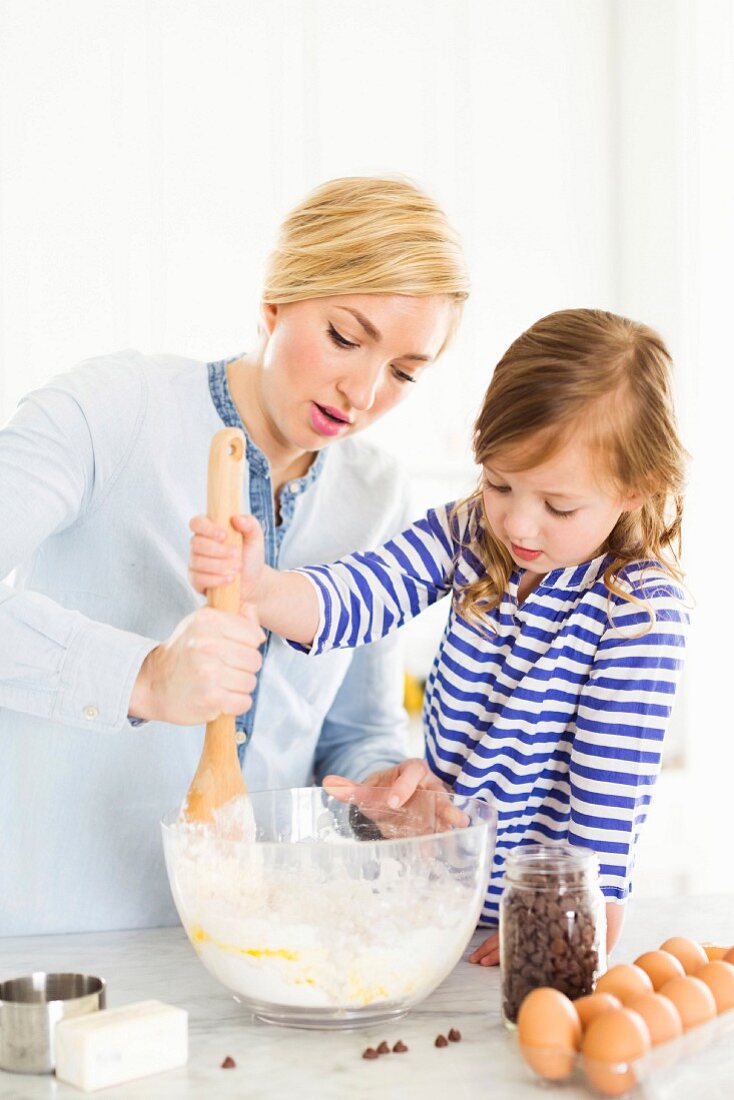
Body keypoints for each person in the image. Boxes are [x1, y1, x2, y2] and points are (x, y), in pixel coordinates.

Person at [0, 177, 469, 935]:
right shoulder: (111, 410)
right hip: (54, 944)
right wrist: (145, 678)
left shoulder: (377, 495)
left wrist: (381, 788)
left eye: (406, 372)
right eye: (346, 338)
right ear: (276, 301)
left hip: (254, 948)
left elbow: (353, 732)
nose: (364, 390)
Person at [189, 308, 690, 966]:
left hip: (539, 913)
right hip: (435, 895)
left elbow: (604, 810)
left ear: (637, 488)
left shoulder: (640, 614)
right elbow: (359, 595)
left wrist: (561, 922)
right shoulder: (467, 534)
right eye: (499, 483)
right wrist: (258, 585)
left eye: (558, 506)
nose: (520, 524)